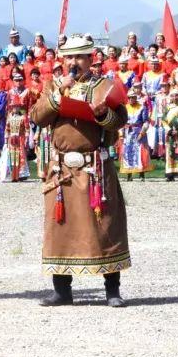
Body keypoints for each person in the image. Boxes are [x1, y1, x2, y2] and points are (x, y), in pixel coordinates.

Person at [30, 34, 130, 307]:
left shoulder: (104, 86)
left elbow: (120, 121)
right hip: (62, 168)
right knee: (59, 226)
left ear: (90, 59)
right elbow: (36, 117)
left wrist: (101, 115)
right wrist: (56, 95)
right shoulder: (54, 84)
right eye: (69, 58)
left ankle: (112, 291)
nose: (74, 63)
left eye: (79, 57)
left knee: (105, 224)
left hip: (95, 166)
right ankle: (62, 291)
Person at [118, 87, 150, 182]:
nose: (131, 99)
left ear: (136, 97)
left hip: (138, 131)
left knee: (140, 151)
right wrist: (121, 132)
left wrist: (142, 132)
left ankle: (141, 174)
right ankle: (129, 175)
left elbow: (146, 121)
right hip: (128, 132)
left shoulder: (142, 107)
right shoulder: (125, 108)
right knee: (127, 152)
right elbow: (121, 121)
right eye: (130, 97)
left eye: (133, 97)